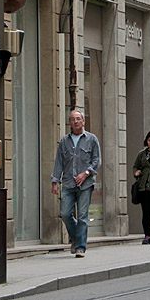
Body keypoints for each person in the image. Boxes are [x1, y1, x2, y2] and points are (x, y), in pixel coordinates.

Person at [52, 109, 101, 258]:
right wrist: (55, 181)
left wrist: (86, 173)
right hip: (68, 183)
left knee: (82, 216)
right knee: (65, 214)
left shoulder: (92, 139)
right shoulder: (64, 141)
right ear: (70, 123)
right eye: (73, 119)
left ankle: (80, 247)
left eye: (78, 119)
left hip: (85, 184)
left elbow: (96, 160)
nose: (75, 121)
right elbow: (59, 162)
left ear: (83, 121)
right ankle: (75, 238)